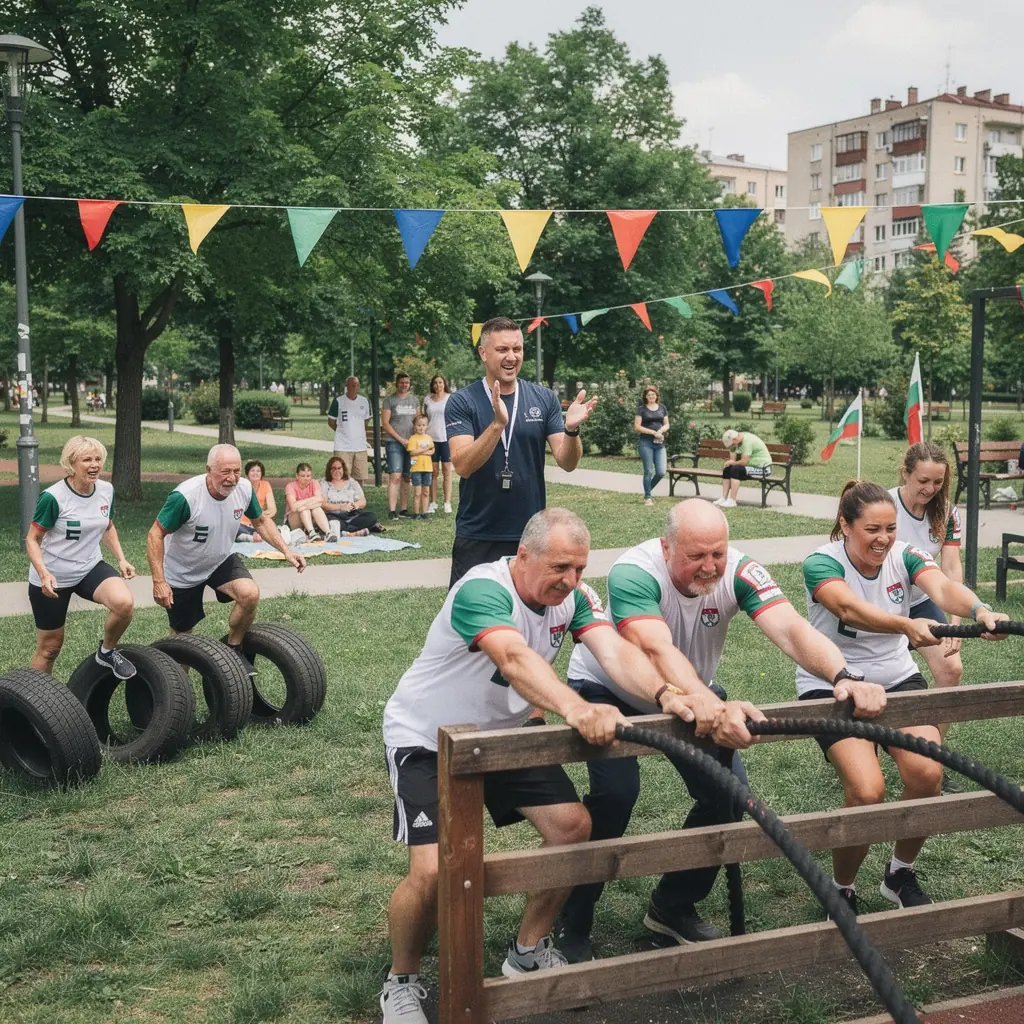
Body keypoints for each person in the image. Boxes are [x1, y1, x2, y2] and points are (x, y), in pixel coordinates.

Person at [379, 508, 761, 1024]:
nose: (570, 580)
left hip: (502, 736)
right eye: (559, 567)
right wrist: (576, 707)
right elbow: (513, 658)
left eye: (579, 568)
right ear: (523, 555)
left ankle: (527, 951)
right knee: (430, 873)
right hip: (427, 739)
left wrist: (665, 692)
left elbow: (614, 650)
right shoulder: (483, 589)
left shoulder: (577, 598)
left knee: (572, 828)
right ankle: (401, 980)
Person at [555, 498, 885, 961]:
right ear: (666, 548)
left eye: (718, 553)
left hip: (693, 693)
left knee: (726, 795)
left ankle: (672, 905)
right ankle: (572, 918)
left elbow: (791, 629)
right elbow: (656, 648)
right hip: (611, 688)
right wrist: (709, 702)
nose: (710, 566)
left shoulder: (742, 571)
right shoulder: (634, 572)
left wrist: (843, 675)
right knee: (616, 795)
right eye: (696, 556)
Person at [799, 480, 1007, 912]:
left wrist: (979, 609)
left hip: (897, 678)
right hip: (835, 682)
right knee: (866, 791)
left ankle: (898, 874)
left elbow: (943, 588)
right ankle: (841, 888)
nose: (884, 539)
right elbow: (847, 608)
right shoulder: (821, 563)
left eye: (891, 528)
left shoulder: (905, 555)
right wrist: (906, 625)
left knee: (927, 774)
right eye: (872, 529)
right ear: (846, 525)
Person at [444, 316, 598, 588]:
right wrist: (497, 426)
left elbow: (567, 462)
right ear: (483, 353)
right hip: (478, 532)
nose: (511, 357)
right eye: (502, 349)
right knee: (473, 609)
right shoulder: (462, 401)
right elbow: (462, 465)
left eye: (517, 349)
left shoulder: (544, 398)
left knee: (529, 609)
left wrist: (572, 430)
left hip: (530, 535)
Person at [147, 445, 306, 667]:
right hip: (183, 571)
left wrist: (286, 551)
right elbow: (155, 535)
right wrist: (159, 581)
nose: (232, 478)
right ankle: (177, 683)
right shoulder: (186, 497)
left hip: (218, 560)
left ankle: (233, 650)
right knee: (183, 638)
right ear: (208, 470)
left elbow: (261, 521)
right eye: (225, 472)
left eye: (236, 471)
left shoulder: (244, 489)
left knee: (249, 594)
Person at [26, 436, 138, 679]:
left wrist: (121, 558)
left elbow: (107, 525)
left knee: (124, 604)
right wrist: (44, 574)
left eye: (98, 459)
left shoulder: (106, 490)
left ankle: (107, 652)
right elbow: (32, 539)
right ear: (71, 463)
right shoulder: (53, 497)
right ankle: (36, 695)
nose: (94, 465)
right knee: (50, 647)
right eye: (87, 460)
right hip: (53, 576)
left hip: (89, 567)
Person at [890, 442, 965, 793]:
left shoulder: (947, 512)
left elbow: (950, 566)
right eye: (923, 480)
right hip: (880, 603)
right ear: (905, 473)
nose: (930, 489)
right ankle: (858, 744)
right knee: (875, 674)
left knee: (951, 669)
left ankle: (931, 755)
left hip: (920, 601)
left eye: (938, 482)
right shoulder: (883, 504)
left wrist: (955, 621)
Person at [382, 373, 421, 520]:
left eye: (407, 383)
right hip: (394, 443)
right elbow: (386, 423)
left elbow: (418, 421)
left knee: (406, 476)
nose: (404, 385)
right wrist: (400, 439)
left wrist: (414, 440)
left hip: (410, 444)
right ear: (396, 383)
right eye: (402, 382)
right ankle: (392, 510)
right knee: (395, 476)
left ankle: (404, 509)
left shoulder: (414, 401)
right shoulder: (389, 400)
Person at [320, 456, 379, 538]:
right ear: (329, 470)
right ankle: (354, 531)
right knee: (329, 521)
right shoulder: (324, 483)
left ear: (343, 469)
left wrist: (355, 505)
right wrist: (341, 507)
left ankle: (344, 531)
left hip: (352, 515)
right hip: (334, 515)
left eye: (339, 468)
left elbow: (363, 501)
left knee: (372, 516)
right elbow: (323, 504)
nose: (336, 471)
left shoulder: (351, 482)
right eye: (333, 468)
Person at [327, 376, 371, 484]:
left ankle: (358, 495)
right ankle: (341, 494)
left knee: (360, 478)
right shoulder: (338, 401)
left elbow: (366, 420)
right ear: (347, 386)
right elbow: (331, 422)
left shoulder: (364, 401)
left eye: (357, 385)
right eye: (352, 385)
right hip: (342, 446)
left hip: (360, 447)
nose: (355, 387)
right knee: (342, 476)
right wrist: (343, 431)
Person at [716, 428, 772, 507]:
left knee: (736, 470)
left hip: (763, 468)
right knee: (727, 470)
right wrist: (730, 462)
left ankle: (732, 500)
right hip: (751, 466)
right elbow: (732, 458)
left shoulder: (747, 441)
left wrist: (733, 463)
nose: (732, 447)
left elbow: (744, 462)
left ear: (735, 440)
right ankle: (724, 498)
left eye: (732, 445)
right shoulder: (737, 439)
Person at [634, 384, 669, 506]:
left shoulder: (662, 408)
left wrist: (661, 431)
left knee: (661, 472)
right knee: (648, 471)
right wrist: (653, 432)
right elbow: (637, 427)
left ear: (656, 395)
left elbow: (667, 424)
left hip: (659, 443)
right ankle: (648, 497)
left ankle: (647, 491)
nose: (651, 396)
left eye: (653, 394)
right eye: (649, 395)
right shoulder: (641, 409)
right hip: (646, 443)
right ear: (645, 397)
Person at [424, 374, 452, 514]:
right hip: (431, 439)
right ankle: (433, 502)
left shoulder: (450, 398)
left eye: (440, 382)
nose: (438, 385)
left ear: (444, 384)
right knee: (433, 472)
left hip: (446, 438)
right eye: (435, 383)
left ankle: (447, 502)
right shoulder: (427, 400)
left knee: (447, 471)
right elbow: (425, 418)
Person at [284, 463, 331, 541]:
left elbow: (320, 500)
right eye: (303, 476)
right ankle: (312, 533)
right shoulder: (290, 486)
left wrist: (302, 506)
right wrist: (312, 499)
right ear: (297, 476)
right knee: (305, 511)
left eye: (308, 476)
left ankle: (328, 533)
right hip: (294, 520)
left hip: (309, 518)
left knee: (316, 508)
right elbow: (293, 507)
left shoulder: (314, 483)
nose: (306, 478)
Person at [236, 460, 276, 542]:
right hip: (242, 524)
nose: (255, 473)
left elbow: (272, 509)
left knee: (274, 528)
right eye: (252, 470)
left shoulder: (266, 485)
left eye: (258, 471)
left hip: (259, 523)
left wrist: (260, 516)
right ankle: (253, 537)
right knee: (235, 528)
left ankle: (253, 536)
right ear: (247, 474)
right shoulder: (241, 485)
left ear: (262, 474)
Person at [405, 414, 434, 521]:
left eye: (423, 425)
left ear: (426, 426)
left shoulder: (429, 438)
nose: (421, 427)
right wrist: (425, 449)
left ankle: (424, 513)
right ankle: (417, 513)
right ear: (414, 426)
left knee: (426, 491)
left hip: (427, 468)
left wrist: (421, 451)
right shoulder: (413, 438)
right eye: (419, 425)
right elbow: (412, 452)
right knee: (418, 492)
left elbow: (432, 451)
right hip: (416, 468)